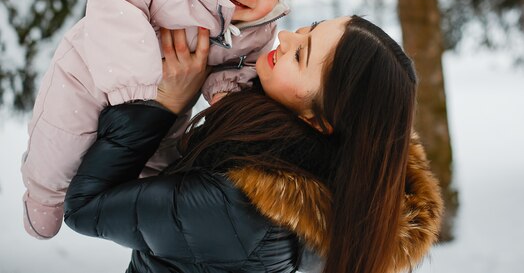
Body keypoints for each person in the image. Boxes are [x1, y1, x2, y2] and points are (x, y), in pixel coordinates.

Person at [21, 0, 342, 239]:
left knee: (161, 163)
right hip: (88, 73)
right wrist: (142, 87)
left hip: (167, 103)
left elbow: (237, 68)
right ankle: (42, 197)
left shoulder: (258, 29)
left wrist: (225, 97)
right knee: (62, 139)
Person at [64, 16, 444, 273]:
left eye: (301, 54)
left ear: (319, 121)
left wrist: (163, 106)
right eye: (308, 29)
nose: (286, 37)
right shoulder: (330, 176)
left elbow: (85, 209)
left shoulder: (236, 208)